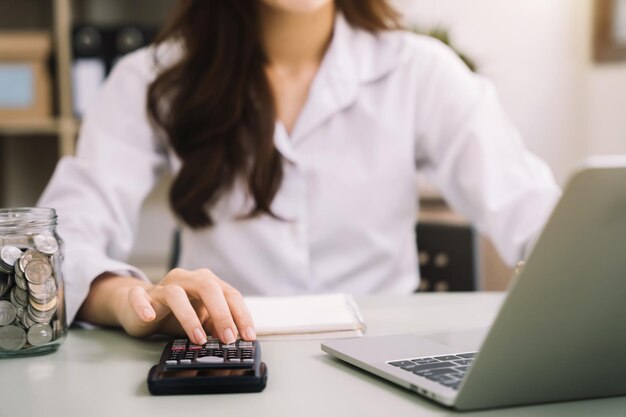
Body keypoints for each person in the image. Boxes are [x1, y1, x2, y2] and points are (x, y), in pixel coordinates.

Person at [38, 0, 560, 346]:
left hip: (385, 367)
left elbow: (540, 219)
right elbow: (58, 242)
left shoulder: (423, 71)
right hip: (224, 363)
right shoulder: (152, 79)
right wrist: (134, 302)